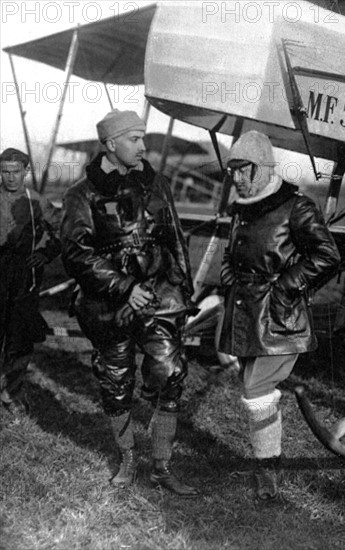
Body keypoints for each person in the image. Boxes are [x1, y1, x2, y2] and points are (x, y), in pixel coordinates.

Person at [60, 110, 198, 496]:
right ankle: (127, 459)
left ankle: (162, 466)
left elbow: (175, 239)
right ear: (110, 145)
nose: (143, 146)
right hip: (108, 305)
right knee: (116, 381)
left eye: (143, 138)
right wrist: (123, 287)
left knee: (170, 373)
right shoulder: (80, 195)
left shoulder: (156, 185)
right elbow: (76, 255)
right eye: (134, 139)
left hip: (158, 298)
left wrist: (183, 293)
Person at [218, 131, 340, 500]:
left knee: (255, 391)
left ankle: (268, 479)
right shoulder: (243, 205)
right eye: (232, 171)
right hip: (245, 312)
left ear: (263, 167)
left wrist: (286, 286)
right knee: (255, 387)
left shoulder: (296, 206)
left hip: (280, 320)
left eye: (243, 170)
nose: (236, 178)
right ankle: (268, 466)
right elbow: (232, 254)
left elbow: (327, 255)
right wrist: (228, 276)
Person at [0, 148, 61, 415]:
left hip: (24, 275)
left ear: (25, 171)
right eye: (5, 171)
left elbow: (62, 231)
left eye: (15, 171)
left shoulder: (37, 202)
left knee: (21, 336)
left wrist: (45, 253)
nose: (10, 177)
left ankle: (11, 393)